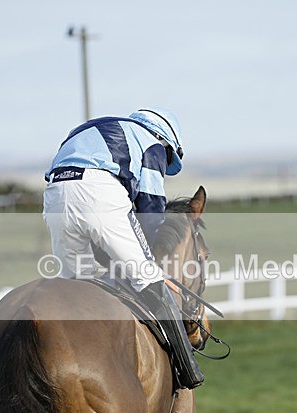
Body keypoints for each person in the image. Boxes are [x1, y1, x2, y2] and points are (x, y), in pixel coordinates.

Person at [42, 108, 204, 389]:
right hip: (99, 192)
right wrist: (148, 259)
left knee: (78, 287)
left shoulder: (90, 130)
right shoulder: (151, 142)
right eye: (168, 159)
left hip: (55, 196)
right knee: (148, 278)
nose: (165, 165)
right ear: (164, 140)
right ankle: (187, 370)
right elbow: (151, 207)